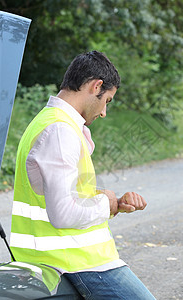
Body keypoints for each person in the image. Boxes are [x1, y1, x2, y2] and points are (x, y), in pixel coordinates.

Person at [10, 50, 156, 299]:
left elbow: (59, 194)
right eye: (106, 100)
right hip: (76, 263)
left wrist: (114, 204)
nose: (103, 112)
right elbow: (63, 214)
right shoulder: (60, 131)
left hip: (66, 261)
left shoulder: (47, 122)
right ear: (96, 86)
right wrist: (104, 203)